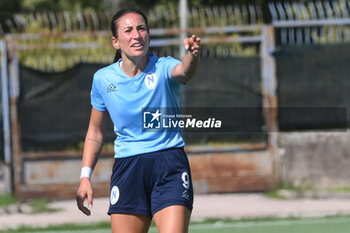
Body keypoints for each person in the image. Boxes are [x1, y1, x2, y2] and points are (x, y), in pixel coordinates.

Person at [76, 8, 200, 233]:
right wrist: (85, 177)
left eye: (141, 28)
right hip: (128, 168)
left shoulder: (163, 67)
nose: (137, 35)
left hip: (169, 163)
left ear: (148, 36)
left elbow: (184, 71)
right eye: (129, 30)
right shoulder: (103, 79)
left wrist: (192, 54)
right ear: (116, 41)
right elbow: (95, 132)